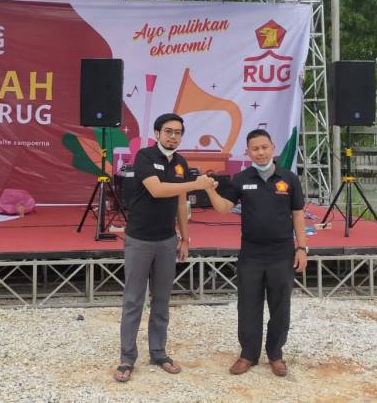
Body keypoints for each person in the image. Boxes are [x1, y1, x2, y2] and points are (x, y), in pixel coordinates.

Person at [114, 113, 216, 383]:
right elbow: (157, 190)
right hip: (139, 240)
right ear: (157, 133)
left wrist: (185, 239)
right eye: (168, 131)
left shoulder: (181, 163)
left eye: (178, 132)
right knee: (133, 301)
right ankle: (127, 358)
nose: (173, 136)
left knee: (161, 301)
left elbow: (181, 201)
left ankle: (158, 353)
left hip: (167, 241)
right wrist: (198, 183)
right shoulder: (145, 156)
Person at [205, 128, 307, 377]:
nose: (260, 152)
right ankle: (248, 354)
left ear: (272, 148)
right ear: (248, 152)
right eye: (255, 149)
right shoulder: (241, 179)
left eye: (264, 147)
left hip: (282, 253)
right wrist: (209, 189)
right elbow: (223, 208)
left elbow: (298, 215)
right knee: (248, 305)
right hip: (251, 254)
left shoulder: (289, 179)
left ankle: (275, 354)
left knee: (280, 306)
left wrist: (302, 248)